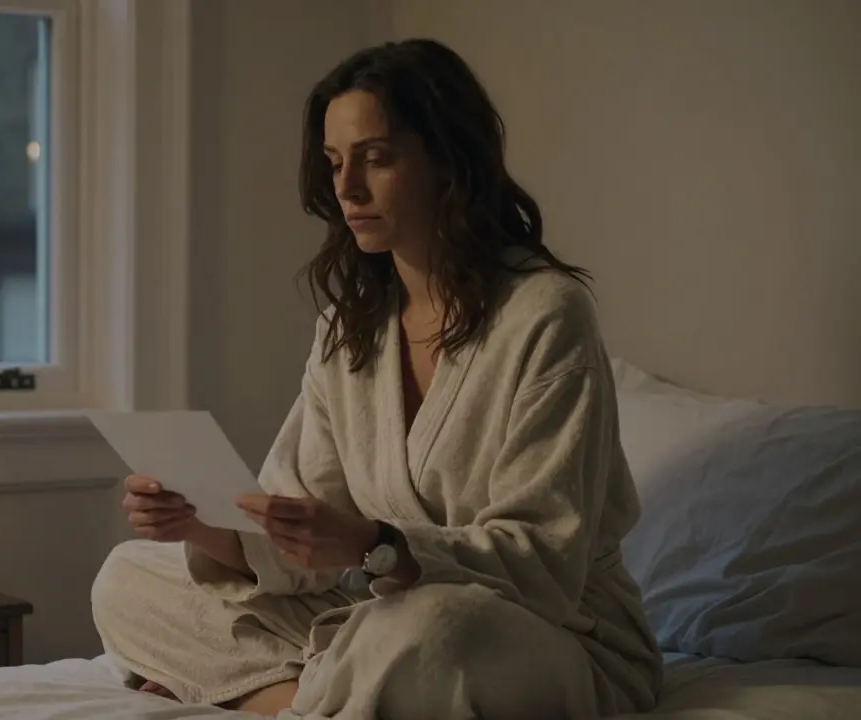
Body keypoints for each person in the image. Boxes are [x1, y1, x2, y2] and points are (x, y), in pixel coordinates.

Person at [91, 37, 663, 719]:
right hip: (374, 612)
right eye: (336, 163)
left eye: (376, 158)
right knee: (128, 578)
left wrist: (378, 544)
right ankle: (299, 697)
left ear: (449, 160)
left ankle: (277, 691)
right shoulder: (350, 328)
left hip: (542, 631)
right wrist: (201, 528)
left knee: (434, 629)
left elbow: (543, 562)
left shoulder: (545, 314)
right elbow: (301, 530)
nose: (347, 188)